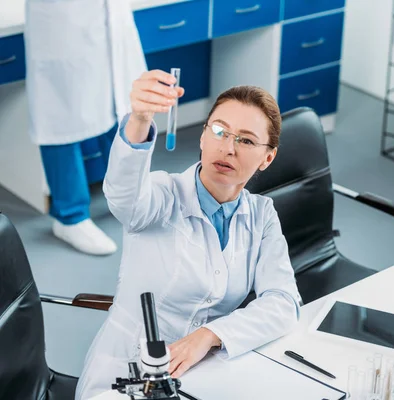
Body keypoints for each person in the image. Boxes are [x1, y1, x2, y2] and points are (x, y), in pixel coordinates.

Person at [75, 70, 302, 399]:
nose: (228, 148)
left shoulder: (261, 214)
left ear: (268, 157)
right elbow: (123, 195)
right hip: (127, 375)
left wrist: (210, 334)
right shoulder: (161, 198)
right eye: (220, 131)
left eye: (247, 140)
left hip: (205, 372)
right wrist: (139, 118)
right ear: (202, 136)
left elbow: (283, 303)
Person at [24, 0, 147, 255]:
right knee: (60, 116)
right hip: (62, 25)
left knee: (119, 106)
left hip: (109, 20)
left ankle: (128, 198)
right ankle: (70, 217)